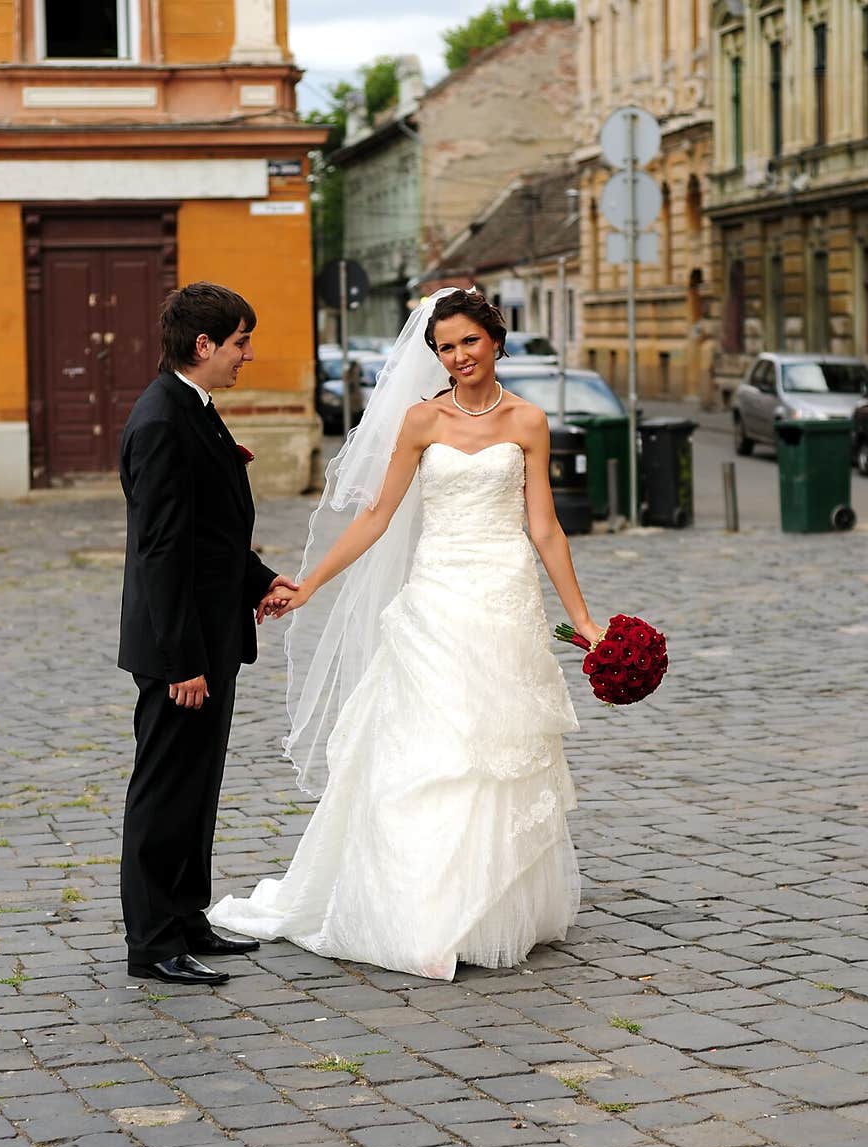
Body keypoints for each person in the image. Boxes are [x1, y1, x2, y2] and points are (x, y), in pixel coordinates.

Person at [209, 288, 603, 981]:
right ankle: (420, 910)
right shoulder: (422, 422)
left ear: (495, 340)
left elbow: (543, 526)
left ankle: (492, 909)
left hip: (504, 595)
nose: (459, 356)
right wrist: (310, 584)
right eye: (446, 347)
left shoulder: (530, 421)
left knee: (500, 743)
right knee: (433, 747)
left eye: (469, 342)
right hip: (437, 598)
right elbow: (376, 516)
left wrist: (585, 620)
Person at [118, 282, 297, 987]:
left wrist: (260, 581)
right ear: (205, 344)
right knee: (164, 792)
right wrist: (182, 661)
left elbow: (209, 532)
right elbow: (162, 551)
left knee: (198, 786)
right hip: (180, 649)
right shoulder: (162, 419)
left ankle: (187, 916)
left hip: (210, 633)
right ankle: (153, 940)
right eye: (240, 342)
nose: (246, 355)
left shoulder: (194, 408)